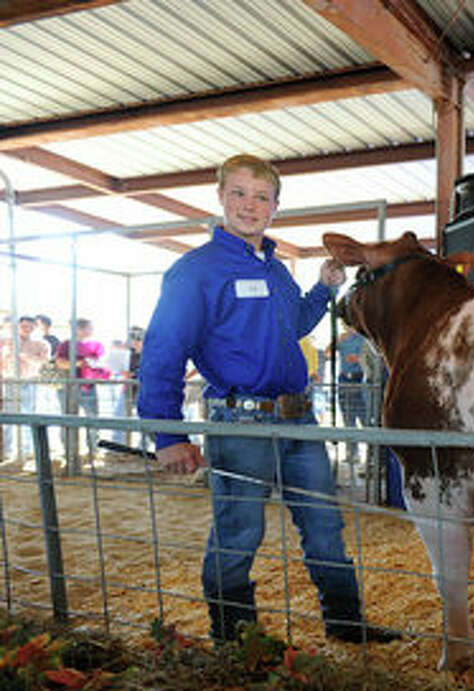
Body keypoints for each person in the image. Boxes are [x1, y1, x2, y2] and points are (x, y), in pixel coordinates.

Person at [137, 153, 397, 644]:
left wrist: (322, 292)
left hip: (300, 419)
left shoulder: (276, 270)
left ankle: (346, 623)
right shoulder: (195, 272)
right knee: (238, 532)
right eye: (238, 193)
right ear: (220, 197)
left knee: (325, 525)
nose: (249, 206)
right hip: (241, 423)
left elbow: (292, 326)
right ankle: (236, 642)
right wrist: (168, 434)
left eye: (261, 197)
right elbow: (163, 353)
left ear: (276, 206)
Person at [55, 317, 110, 459]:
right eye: (89, 328)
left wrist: (99, 368)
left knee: (92, 419)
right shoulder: (66, 344)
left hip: (89, 386)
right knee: (68, 419)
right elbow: (60, 363)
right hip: (69, 386)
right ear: (79, 329)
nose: (91, 331)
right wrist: (79, 364)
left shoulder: (95, 345)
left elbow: (103, 363)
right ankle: (70, 452)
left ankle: (93, 451)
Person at [2, 315, 50, 462]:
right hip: (9, 380)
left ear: (35, 328)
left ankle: (28, 450)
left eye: (30, 326)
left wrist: (24, 356)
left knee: (30, 414)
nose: (27, 329)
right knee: (9, 415)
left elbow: (44, 361)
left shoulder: (41, 343)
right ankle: (8, 451)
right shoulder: (6, 342)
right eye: (24, 326)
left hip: (30, 380)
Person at [329, 329, 370, 471]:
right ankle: (352, 453)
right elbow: (329, 352)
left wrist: (357, 358)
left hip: (359, 379)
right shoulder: (342, 338)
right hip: (343, 379)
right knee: (348, 417)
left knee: (364, 417)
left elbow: (369, 358)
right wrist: (336, 341)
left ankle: (371, 457)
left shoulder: (363, 339)